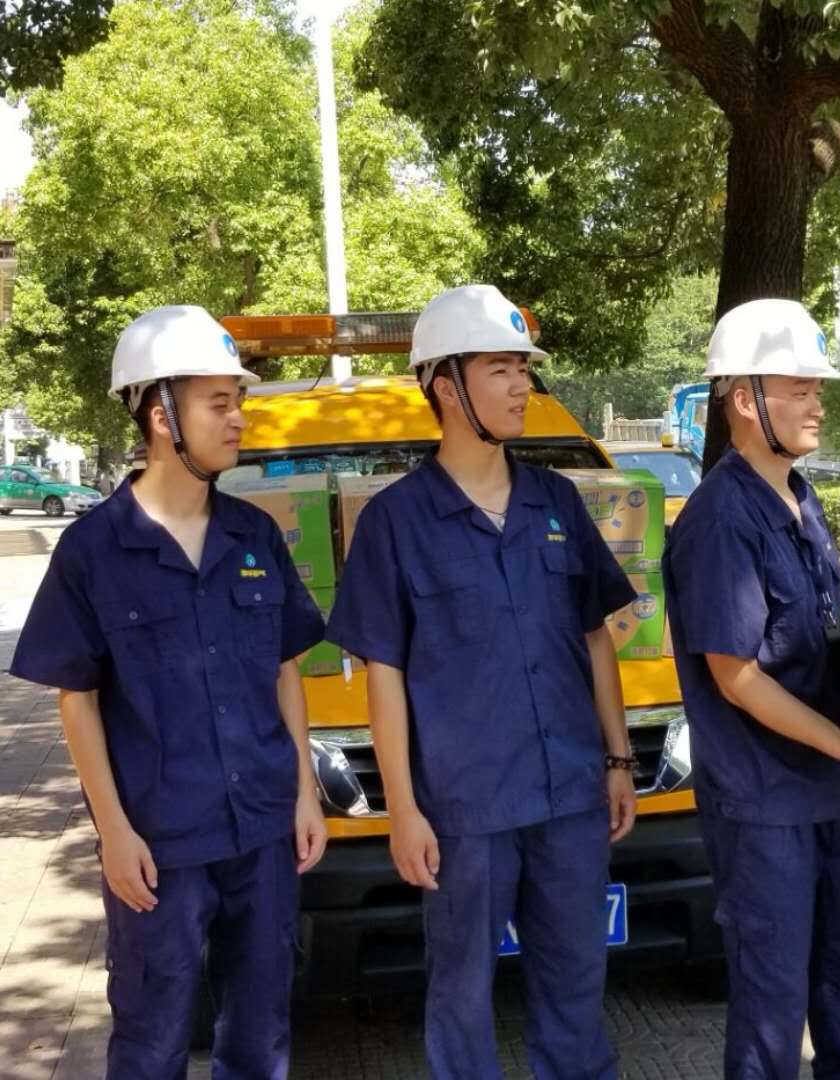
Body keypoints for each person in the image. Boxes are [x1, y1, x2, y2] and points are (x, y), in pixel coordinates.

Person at [324, 284, 637, 1079]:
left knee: (576, 983)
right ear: (444, 384)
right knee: (461, 995)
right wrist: (402, 810)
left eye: (523, 369)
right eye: (500, 369)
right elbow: (384, 676)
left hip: (570, 796)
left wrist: (617, 759)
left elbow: (595, 637)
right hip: (465, 812)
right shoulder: (396, 522)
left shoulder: (556, 501)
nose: (521, 385)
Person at [8, 305, 330, 1078]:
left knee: (260, 1033)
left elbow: (284, 667)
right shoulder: (92, 550)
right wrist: (113, 832)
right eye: (219, 403)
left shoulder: (254, 535)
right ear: (162, 416)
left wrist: (304, 792)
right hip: (160, 845)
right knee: (152, 1039)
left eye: (239, 401)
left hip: (263, 830)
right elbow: (77, 698)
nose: (239, 418)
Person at [662, 298, 840, 1080]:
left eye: (818, 388)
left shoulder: (801, 498)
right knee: (772, 1016)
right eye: (800, 389)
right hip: (766, 809)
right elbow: (736, 676)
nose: (818, 403)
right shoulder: (720, 519)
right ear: (746, 400)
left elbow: (823, 638)